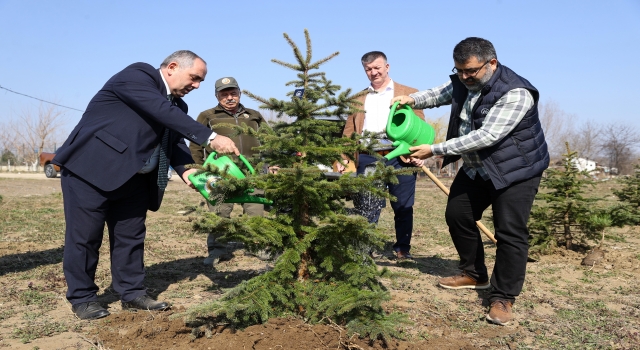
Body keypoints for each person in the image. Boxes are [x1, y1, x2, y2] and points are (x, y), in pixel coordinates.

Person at [52, 50, 239, 320]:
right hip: (89, 171)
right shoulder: (138, 76)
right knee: (84, 239)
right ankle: (83, 298)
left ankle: (132, 293)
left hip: (136, 180)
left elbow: (174, 143)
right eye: (194, 78)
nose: (196, 86)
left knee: (131, 238)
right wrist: (210, 137)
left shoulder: (178, 107)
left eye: (200, 81)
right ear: (173, 67)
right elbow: (158, 109)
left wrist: (188, 172)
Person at [392, 37, 549, 326]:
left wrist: (435, 149)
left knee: (510, 232)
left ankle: (502, 297)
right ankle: (474, 273)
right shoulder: (464, 80)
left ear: (492, 63)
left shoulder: (516, 93)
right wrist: (411, 99)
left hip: (515, 169)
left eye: (470, 72)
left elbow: (487, 136)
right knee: (458, 214)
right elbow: (440, 93)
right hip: (479, 167)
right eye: (459, 70)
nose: (464, 77)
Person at [338, 51, 425, 260]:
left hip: (400, 157)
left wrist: (421, 151)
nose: (373, 72)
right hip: (369, 156)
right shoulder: (358, 98)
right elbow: (348, 132)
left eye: (377, 67)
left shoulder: (409, 93)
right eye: (368, 69)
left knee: (403, 205)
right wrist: (343, 157)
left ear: (387, 67)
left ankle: (403, 249)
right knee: (367, 204)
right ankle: (365, 248)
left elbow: (420, 127)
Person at [189, 77, 268, 266]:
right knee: (219, 212)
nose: (230, 98)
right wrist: (198, 168)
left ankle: (258, 247)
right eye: (224, 94)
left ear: (240, 94)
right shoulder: (207, 116)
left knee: (255, 212)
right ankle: (218, 250)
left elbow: (269, 140)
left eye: (233, 93)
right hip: (220, 173)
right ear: (217, 96)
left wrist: (271, 164)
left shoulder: (254, 115)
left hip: (253, 172)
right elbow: (195, 144)